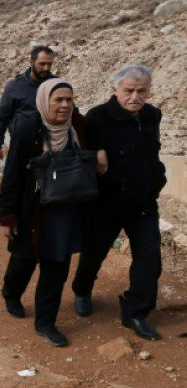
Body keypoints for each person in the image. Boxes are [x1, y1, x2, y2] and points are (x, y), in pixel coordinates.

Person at [71, 65, 166, 341]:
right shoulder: (98, 117)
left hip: (144, 203)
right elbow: (88, 156)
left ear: (149, 91)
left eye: (141, 91)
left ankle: (135, 312)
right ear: (115, 89)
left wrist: (156, 180)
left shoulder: (152, 116)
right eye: (129, 90)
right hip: (107, 203)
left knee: (150, 262)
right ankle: (82, 289)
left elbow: (152, 152)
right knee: (94, 253)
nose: (135, 96)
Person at [0, 78, 87, 347]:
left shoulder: (80, 127)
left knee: (57, 268)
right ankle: (11, 294)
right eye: (58, 99)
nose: (64, 105)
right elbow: (11, 174)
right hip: (31, 210)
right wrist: (7, 215)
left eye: (69, 99)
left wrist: (101, 154)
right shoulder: (27, 129)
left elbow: (94, 153)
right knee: (23, 261)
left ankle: (45, 322)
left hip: (65, 212)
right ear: (44, 101)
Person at [0, 46, 56, 164]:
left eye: (49, 64)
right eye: (42, 64)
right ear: (31, 62)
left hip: (51, 146)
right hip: (21, 146)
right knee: (13, 182)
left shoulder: (57, 85)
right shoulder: (15, 86)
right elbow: (2, 117)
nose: (46, 68)